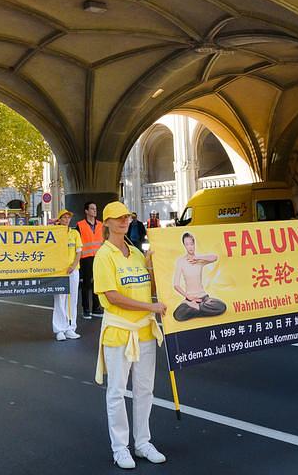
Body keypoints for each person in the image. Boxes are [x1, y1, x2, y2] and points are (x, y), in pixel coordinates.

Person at [93, 201, 167, 470]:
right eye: (118, 218)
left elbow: (150, 285)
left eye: (126, 217)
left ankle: (143, 442)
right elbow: (112, 296)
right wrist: (151, 307)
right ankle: (120, 448)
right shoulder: (104, 256)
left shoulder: (136, 253)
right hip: (119, 333)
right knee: (117, 391)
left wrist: (155, 267)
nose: (124, 221)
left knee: (145, 389)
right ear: (107, 223)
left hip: (145, 331)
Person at [171, 233, 226, 319]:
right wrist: (188, 297)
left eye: (192, 244)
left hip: (204, 298)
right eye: (187, 244)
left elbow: (215, 257)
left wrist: (197, 258)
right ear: (184, 246)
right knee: (178, 315)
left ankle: (197, 308)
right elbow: (176, 285)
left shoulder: (200, 260)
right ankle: (200, 309)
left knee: (221, 306)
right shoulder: (181, 261)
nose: (190, 247)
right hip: (190, 299)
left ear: (194, 244)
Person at [52, 209, 82, 341]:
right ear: (59, 220)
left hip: (73, 270)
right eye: (64, 218)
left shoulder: (74, 233)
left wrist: (73, 266)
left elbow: (79, 251)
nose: (66, 220)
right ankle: (59, 329)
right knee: (60, 299)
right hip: (59, 272)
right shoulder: (54, 234)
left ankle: (71, 328)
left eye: (68, 218)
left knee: (72, 299)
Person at [74, 202, 104, 319]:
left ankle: (96, 308)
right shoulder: (80, 225)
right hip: (85, 258)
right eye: (92, 209)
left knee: (97, 283)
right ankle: (86, 309)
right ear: (86, 211)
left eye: (95, 209)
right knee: (86, 284)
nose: (94, 211)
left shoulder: (100, 225)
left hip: (98, 257)